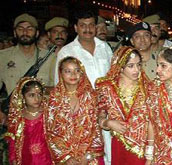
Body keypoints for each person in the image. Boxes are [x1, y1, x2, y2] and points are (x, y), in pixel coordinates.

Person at [55, 10, 113, 164]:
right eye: (83, 25)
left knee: (109, 149)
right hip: (80, 114)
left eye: (91, 25)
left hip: (107, 109)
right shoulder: (66, 52)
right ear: (75, 28)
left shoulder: (105, 47)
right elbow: (59, 87)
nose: (88, 29)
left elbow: (114, 78)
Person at [96, 46, 154, 164]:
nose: (136, 70)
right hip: (119, 145)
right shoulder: (107, 88)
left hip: (142, 147)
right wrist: (108, 123)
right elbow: (99, 115)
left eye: (138, 65)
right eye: (131, 66)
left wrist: (149, 155)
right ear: (120, 67)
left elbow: (152, 123)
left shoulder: (148, 88)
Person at [46, 57, 103, 164]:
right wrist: (65, 157)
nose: (73, 75)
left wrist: (88, 156)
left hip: (90, 156)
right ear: (60, 73)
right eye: (68, 71)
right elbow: (51, 132)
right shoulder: (55, 98)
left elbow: (96, 128)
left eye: (77, 70)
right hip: (65, 158)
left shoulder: (90, 96)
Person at [5, 77, 52, 164]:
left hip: (46, 159)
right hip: (26, 159)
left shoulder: (48, 115)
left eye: (40, 94)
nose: (36, 99)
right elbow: (13, 140)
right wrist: (13, 159)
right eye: (31, 95)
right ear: (22, 97)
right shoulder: (18, 117)